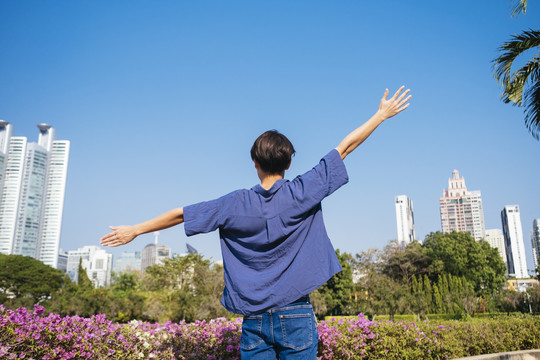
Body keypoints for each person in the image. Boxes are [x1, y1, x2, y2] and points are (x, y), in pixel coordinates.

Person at [100, 86, 411, 359]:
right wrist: (380, 115)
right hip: (297, 312)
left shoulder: (234, 204)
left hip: (254, 318)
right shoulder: (303, 190)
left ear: (255, 163)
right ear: (289, 162)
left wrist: (136, 230)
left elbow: (182, 213)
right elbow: (344, 148)